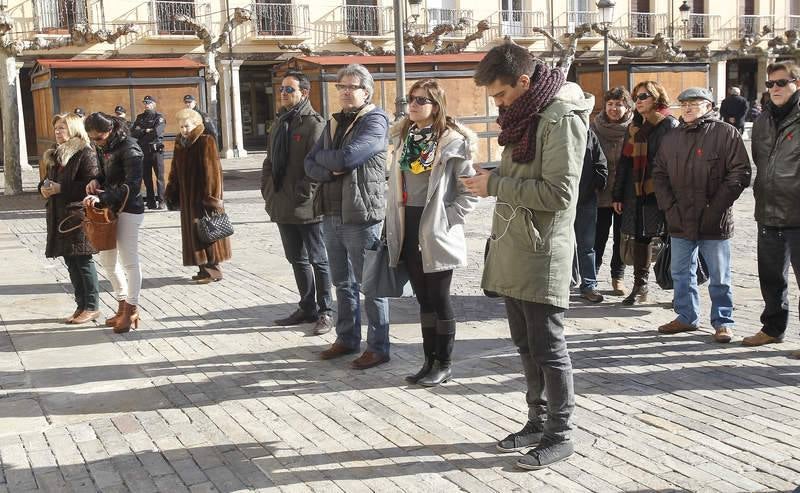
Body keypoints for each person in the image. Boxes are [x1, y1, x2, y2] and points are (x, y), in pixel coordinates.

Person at [464, 43, 593, 470]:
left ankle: (561, 433)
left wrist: (495, 186)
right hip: (514, 245)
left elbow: (558, 194)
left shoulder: (561, 118)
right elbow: (526, 175)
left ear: (524, 82)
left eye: (500, 95)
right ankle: (537, 423)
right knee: (526, 345)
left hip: (542, 251)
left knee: (549, 347)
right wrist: (495, 176)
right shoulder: (525, 115)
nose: (497, 104)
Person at [385, 79, 479, 387]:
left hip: (435, 227)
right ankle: (428, 360)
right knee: (422, 299)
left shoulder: (453, 142)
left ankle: (445, 362)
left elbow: (471, 191)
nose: (412, 105)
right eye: (411, 99)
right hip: (407, 223)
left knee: (439, 298)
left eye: (421, 100)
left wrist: (448, 219)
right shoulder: (403, 137)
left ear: (436, 106)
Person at [304, 63, 391, 370]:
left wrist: (331, 162)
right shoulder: (332, 123)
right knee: (342, 282)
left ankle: (378, 347)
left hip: (361, 214)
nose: (343, 91)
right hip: (330, 212)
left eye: (350, 87)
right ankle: (347, 338)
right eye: (340, 86)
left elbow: (349, 157)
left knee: (371, 285)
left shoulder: (376, 120)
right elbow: (309, 163)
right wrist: (332, 168)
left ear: (366, 91)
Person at [652, 87, 751, 342]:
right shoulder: (672, 137)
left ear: (708, 106)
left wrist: (716, 207)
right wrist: (669, 208)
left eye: (694, 103)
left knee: (720, 276)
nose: (687, 108)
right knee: (681, 272)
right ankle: (686, 316)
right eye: (684, 104)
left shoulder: (725, 133)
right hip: (679, 218)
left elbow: (740, 172)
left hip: (714, 220)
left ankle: (723, 321)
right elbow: (659, 174)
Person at [261, 71, 333, 334]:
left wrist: (304, 194)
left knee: (318, 259)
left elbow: (318, 166)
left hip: (307, 205)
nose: (283, 94)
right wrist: (268, 190)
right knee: (296, 258)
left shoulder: (314, 124)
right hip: (281, 202)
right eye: (282, 89)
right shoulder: (280, 122)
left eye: (289, 90)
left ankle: (326, 311)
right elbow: (269, 160)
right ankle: (307, 306)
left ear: (304, 93)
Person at [744, 62, 800, 358]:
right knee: (771, 277)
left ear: (796, 84)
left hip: (798, 212)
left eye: (781, 83)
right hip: (768, 208)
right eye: (770, 84)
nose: (775, 89)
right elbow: (761, 161)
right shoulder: (764, 119)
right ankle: (772, 329)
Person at [612, 81, 679, 305]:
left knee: (672, 237)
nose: (638, 101)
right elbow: (624, 162)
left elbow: (674, 161)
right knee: (641, 237)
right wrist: (617, 194)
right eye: (636, 97)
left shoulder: (669, 124)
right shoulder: (634, 126)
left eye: (643, 97)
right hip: (637, 191)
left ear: (656, 98)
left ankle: (681, 289)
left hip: (663, 190)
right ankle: (641, 287)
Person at [83, 112, 145, 334]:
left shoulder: (130, 148)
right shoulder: (105, 146)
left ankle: (131, 308)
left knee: (130, 262)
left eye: (98, 138)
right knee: (107, 261)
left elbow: (133, 185)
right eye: (92, 139)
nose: (95, 142)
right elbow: (106, 175)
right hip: (110, 209)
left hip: (129, 209)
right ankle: (121, 304)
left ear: (110, 130)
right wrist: (95, 180)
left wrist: (103, 197)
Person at [39, 113, 101, 324]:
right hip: (59, 215)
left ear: (74, 130)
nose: (58, 132)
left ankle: (91, 306)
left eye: (62, 128)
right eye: (56, 128)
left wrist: (61, 188)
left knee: (83, 260)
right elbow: (46, 181)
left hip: (78, 215)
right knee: (70, 261)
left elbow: (92, 185)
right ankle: (80, 305)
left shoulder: (85, 152)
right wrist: (44, 189)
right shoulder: (55, 155)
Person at [165, 108, 231, 283]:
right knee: (194, 233)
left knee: (208, 232)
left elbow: (213, 172)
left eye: (186, 126)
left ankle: (214, 270)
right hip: (187, 197)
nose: (183, 130)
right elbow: (174, 169)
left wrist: (212, 198)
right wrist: (172, 191)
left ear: (196, 124)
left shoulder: (205, 141)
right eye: (181, 127)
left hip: (203, 198)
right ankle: (203, 269)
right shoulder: (181, 143)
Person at [592, 87, 633, 296]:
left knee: (621, 238)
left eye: (619, 104)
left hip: (624, 195)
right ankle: (591, 278)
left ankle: (618, 277)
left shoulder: (634, 129)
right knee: (596, 238)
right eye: (610, 104)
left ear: (627, 107)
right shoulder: (594, 128)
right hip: (599, 193)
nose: (614, 108)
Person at [573, 128, 607, 302]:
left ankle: (589, 285)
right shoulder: (553, 128)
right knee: (558, 245)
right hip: (558, 200)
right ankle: (562, 285)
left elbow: (601, 164)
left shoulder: (587, 133)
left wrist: (594, 184)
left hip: (585, 200)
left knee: (586, 246)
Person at [131, 95, 166, 210]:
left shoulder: (159, 117)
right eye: (145, 102)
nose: (147, 104)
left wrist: (142, 132)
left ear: (154, 104)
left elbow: (157, 132)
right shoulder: (140, 117)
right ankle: (150, 202)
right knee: (147, 177)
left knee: (159, 177)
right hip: (143, 151)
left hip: (156, 151)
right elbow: (133, 133)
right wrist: (146, 130)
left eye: (149, 103)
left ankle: (161, 201)